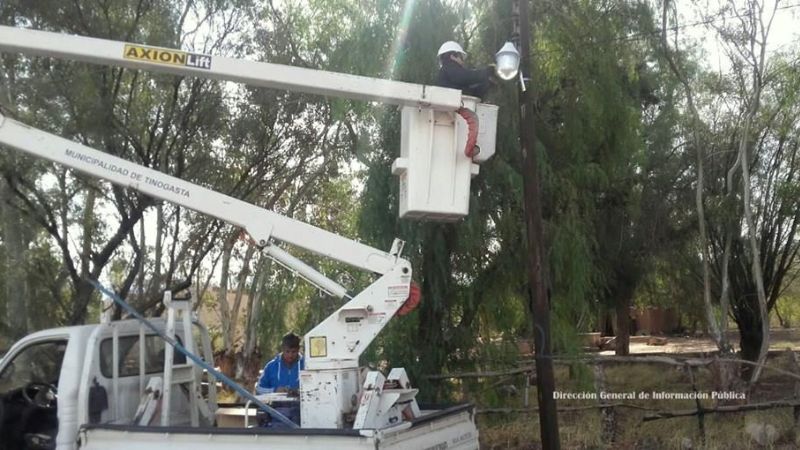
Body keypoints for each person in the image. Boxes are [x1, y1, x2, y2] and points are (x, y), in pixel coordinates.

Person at [255, 333, 304, 427]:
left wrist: (299, 391)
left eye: (293, 352)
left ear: (298, 350)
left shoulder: (306, 365)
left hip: (300, 410)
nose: (290, 355)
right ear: (282, 349)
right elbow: (259, 389)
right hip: (275, 409)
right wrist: (274, 390)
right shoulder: (271, 366)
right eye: (287, 351)